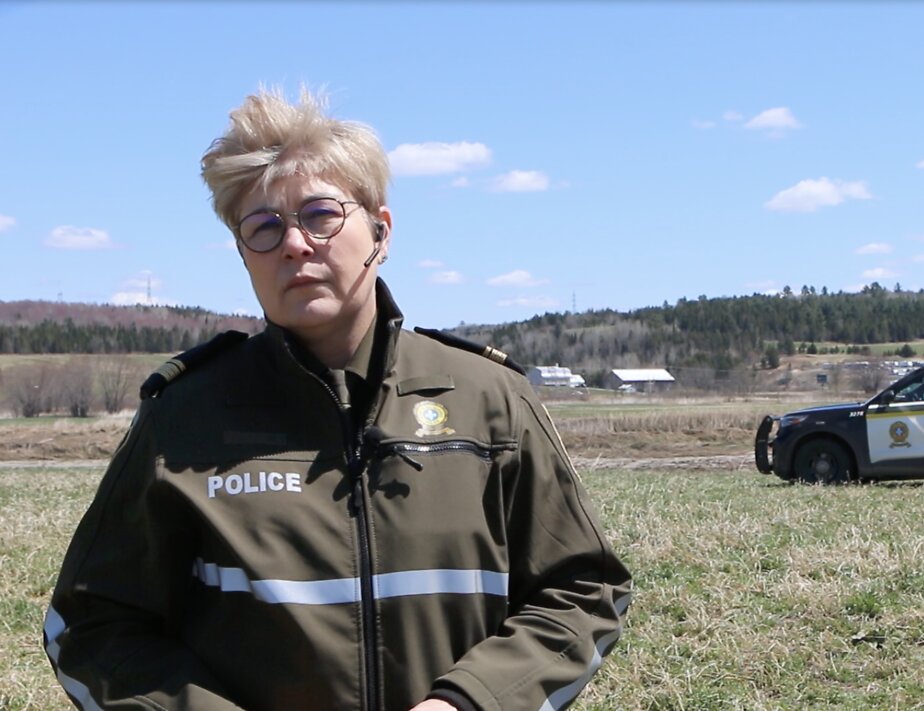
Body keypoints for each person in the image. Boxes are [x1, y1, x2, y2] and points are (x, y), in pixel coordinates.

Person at [43, 87, 632, 711]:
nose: (294, 244)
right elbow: (90, 625)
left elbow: (582, 589)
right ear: (244, 255)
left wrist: (472, 702)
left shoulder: (490, 400)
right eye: (263, 227)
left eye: (320, 215)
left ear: (380, 229)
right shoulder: (184, 418)